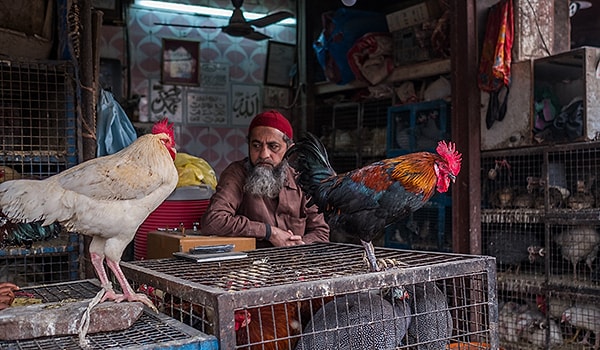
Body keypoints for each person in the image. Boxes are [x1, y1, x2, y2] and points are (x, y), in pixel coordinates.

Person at [200, 110, 330, 248]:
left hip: (294, 263)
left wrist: (299, 244)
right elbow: (213, 221)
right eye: (256, 146)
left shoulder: (302, 180)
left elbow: (321, 232)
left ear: (289, 150)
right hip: (249, 266)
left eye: (273, 147)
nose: (264, 154)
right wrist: (269, 232)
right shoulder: (237, 173)